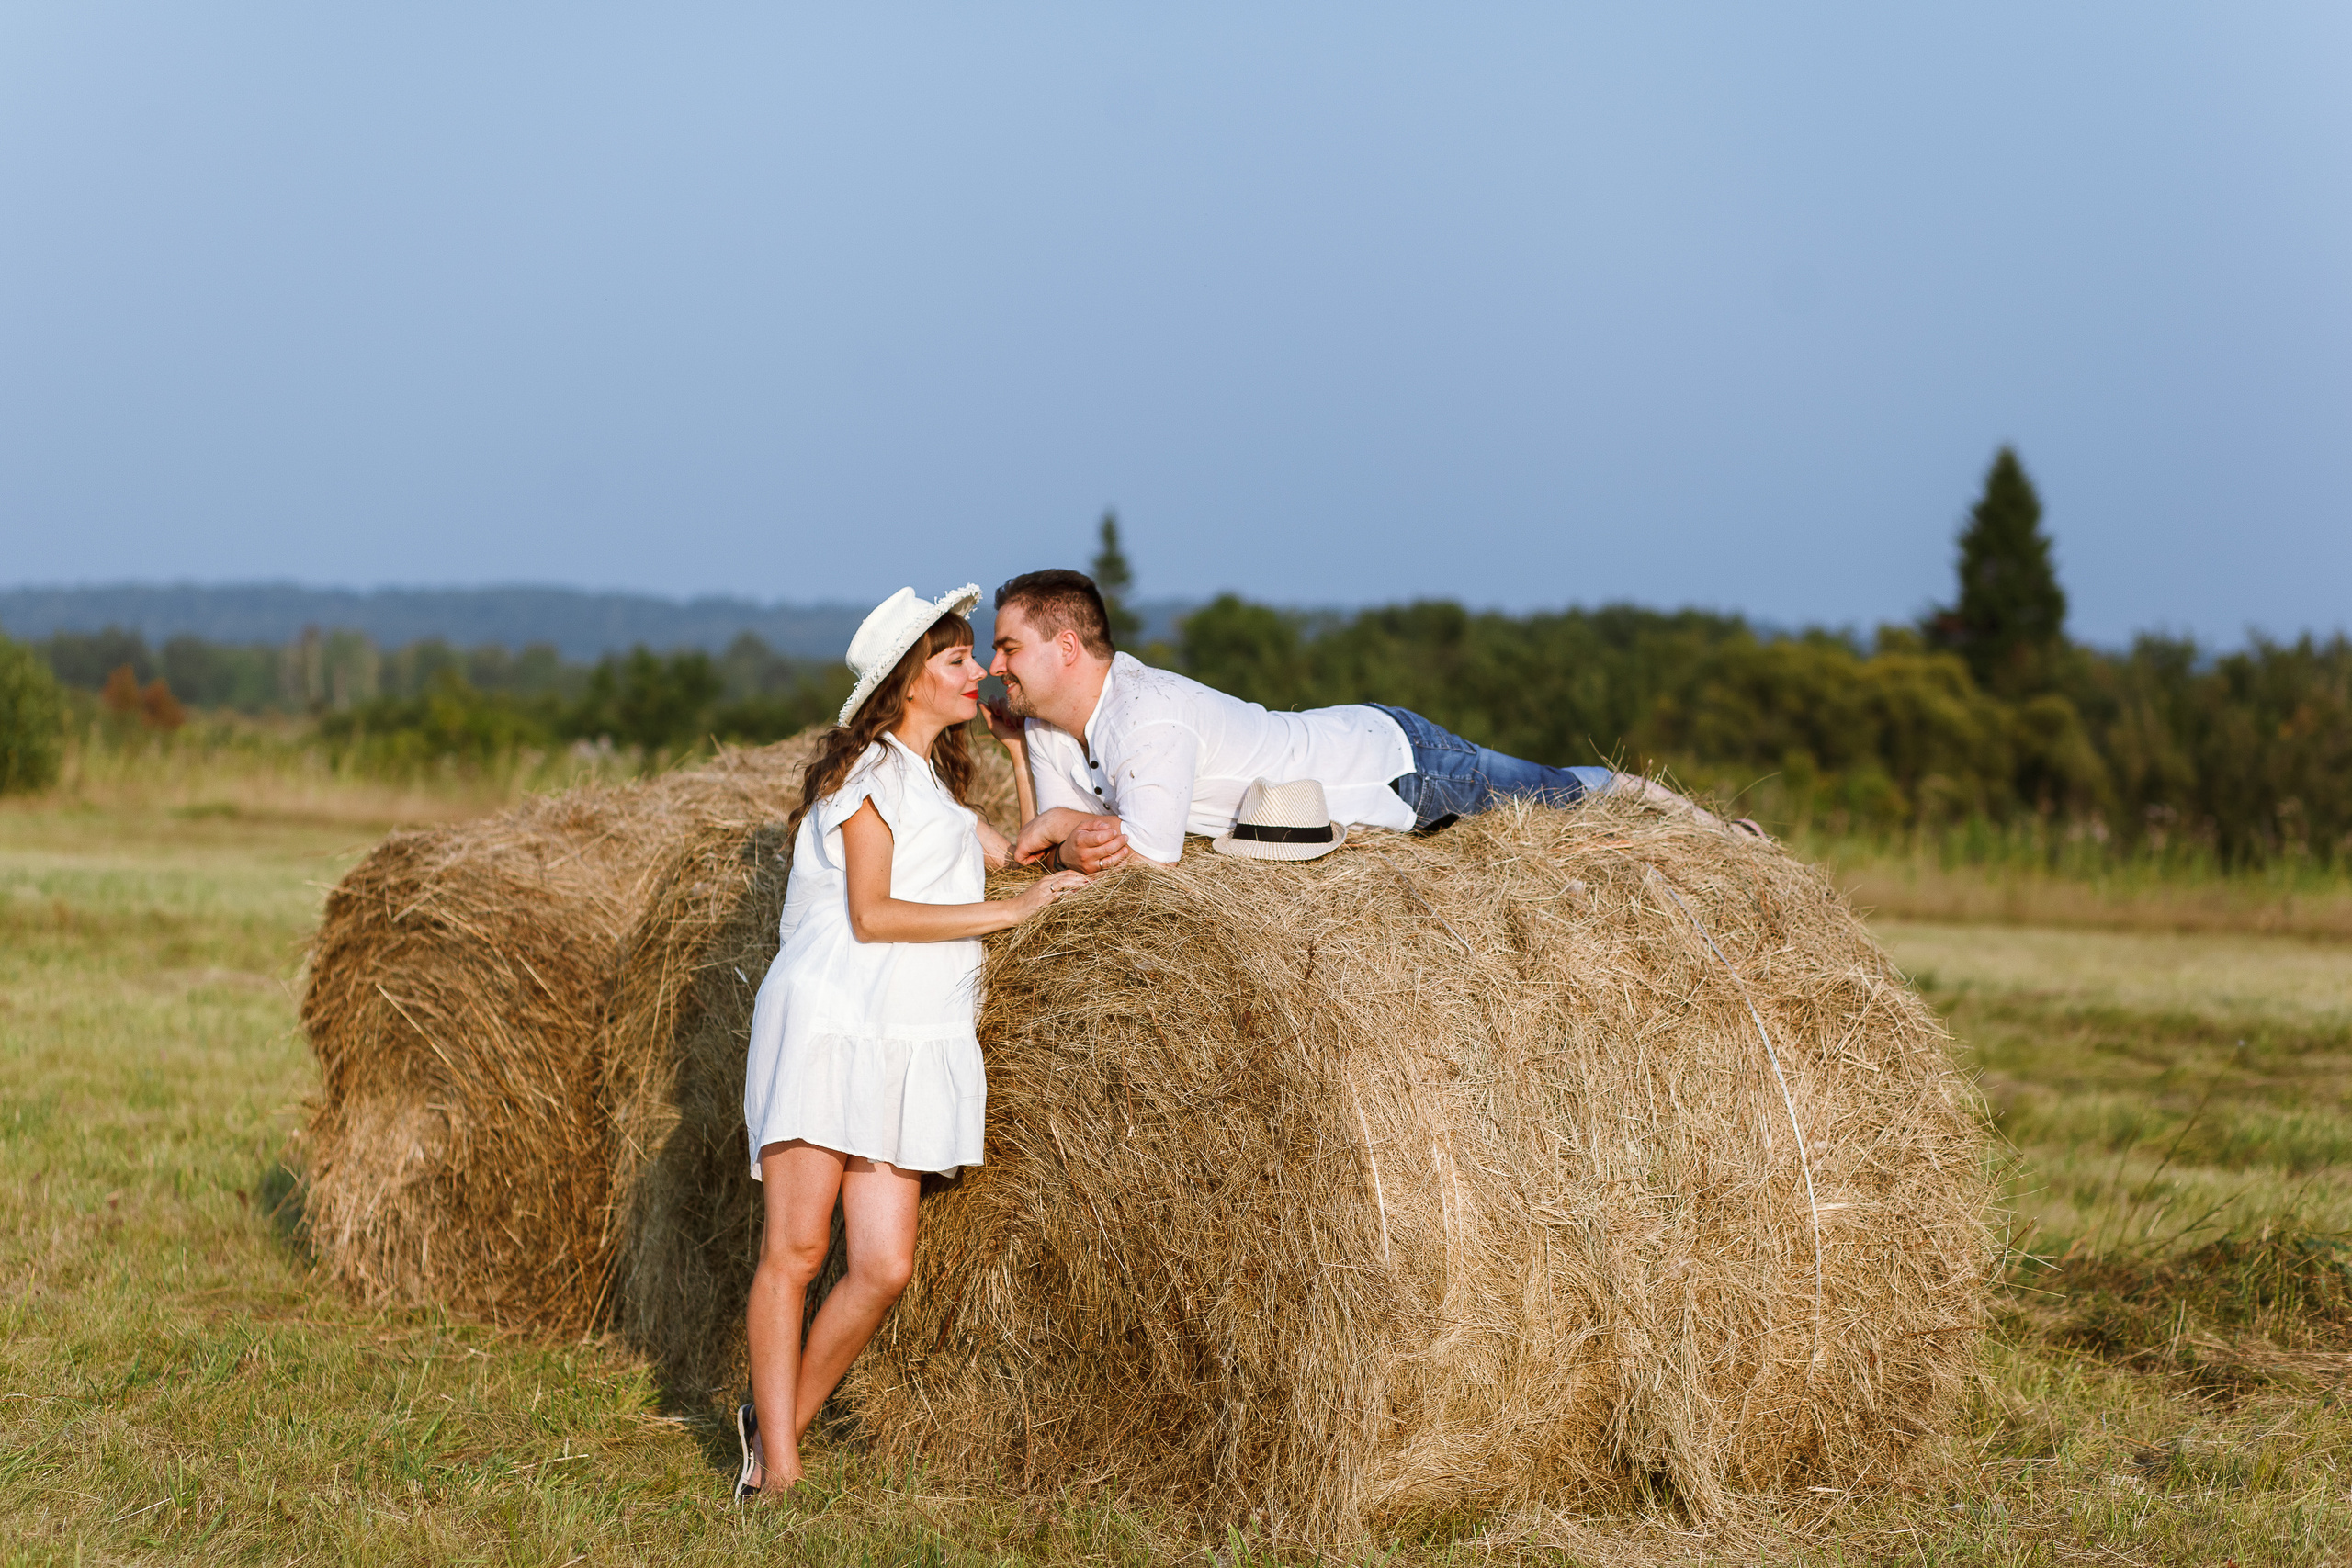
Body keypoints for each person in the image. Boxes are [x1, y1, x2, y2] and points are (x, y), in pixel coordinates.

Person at [734, 583, 1089, 1501]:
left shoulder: (931, 782)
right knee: (797, 1253)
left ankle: (772, 1428)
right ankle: (778, 1473)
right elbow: (873, 912)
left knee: (884, 1265)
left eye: (974, 655)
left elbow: (1018, 853)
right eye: (956, 660)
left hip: (901, 1031)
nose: (977, 672)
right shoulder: (859, 785)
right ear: (906, 683)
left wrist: (1017, 753)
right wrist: (1014, 915)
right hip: (831, 1020)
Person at [985, 570, 1736, 872]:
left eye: (1008, 646)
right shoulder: (1052, 725)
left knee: (1558, 794)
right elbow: (1055, 834)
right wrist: (1023, 762)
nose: (996, 666)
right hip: (1341, 772)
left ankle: (1687, 816)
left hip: (1392, 764)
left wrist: (1059, 838)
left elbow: (1137, 854)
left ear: (1069, 647)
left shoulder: (1148, 719)